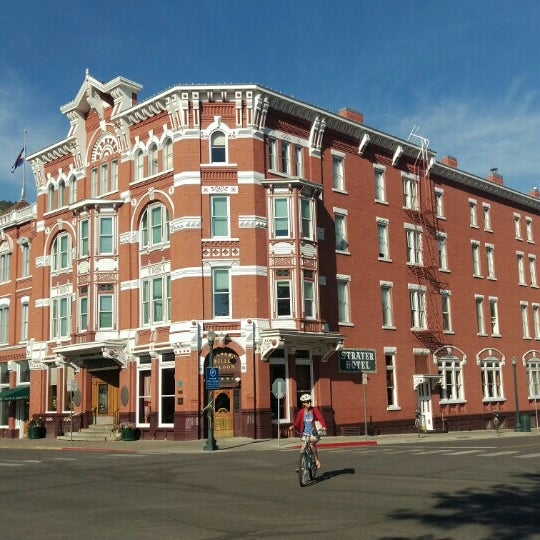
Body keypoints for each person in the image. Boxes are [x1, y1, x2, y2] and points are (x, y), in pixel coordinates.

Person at [292, 394, 326, 469]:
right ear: (303, 403)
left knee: (311, 445)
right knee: (303, 449)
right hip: (305, 433)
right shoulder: (301, 412)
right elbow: (297, 422)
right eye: (307, 402)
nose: (309, 403)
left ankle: (317, 460)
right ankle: (301, 467)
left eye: (310, 401)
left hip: (314, 432)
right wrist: (293, 426)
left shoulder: (314, 410)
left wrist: (323, 426)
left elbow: (320, 418)